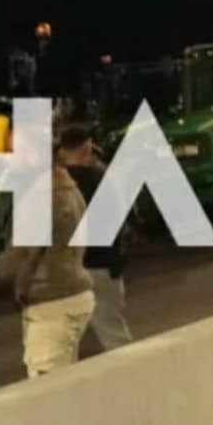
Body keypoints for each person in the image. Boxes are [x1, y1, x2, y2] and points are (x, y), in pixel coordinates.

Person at [0, 146, 97, 378]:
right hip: (68, 293)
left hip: (53, 303)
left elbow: (17, 258)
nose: (5, 160)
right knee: (63, 383)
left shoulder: (42, 197)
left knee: (47, 387)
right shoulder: (63, 185)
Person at [55, 127, 133, 351]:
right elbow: (120, 220)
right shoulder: (101, 180)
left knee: (80, 343)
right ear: (88, 149)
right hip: (101, 265)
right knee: (114, 336)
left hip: (68, 271)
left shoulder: (55, 186)